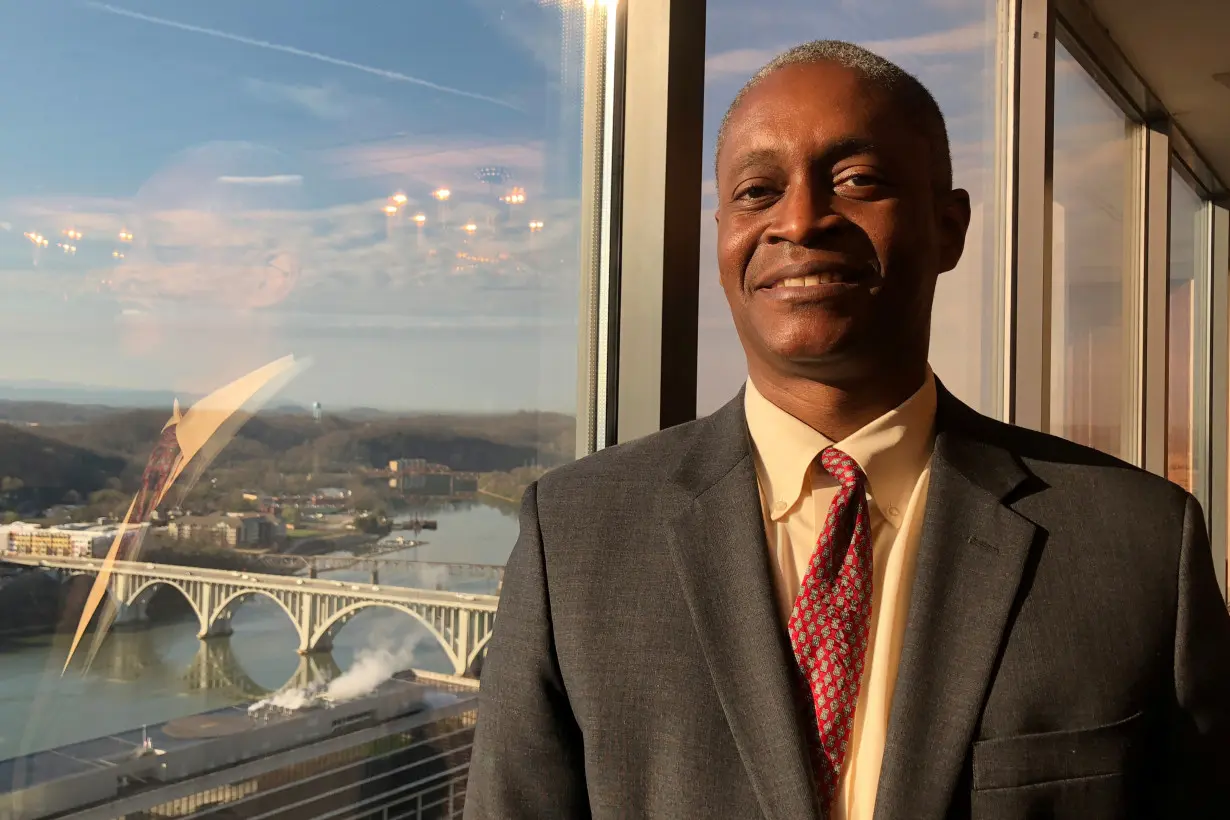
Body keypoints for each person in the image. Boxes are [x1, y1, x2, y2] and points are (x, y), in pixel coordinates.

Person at [464, 40, 1230, 820]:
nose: (799, 220)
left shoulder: (1136, 545)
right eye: (758, 192)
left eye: (857, 180)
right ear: (722, 237)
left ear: (950, 226)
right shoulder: (577, 536)